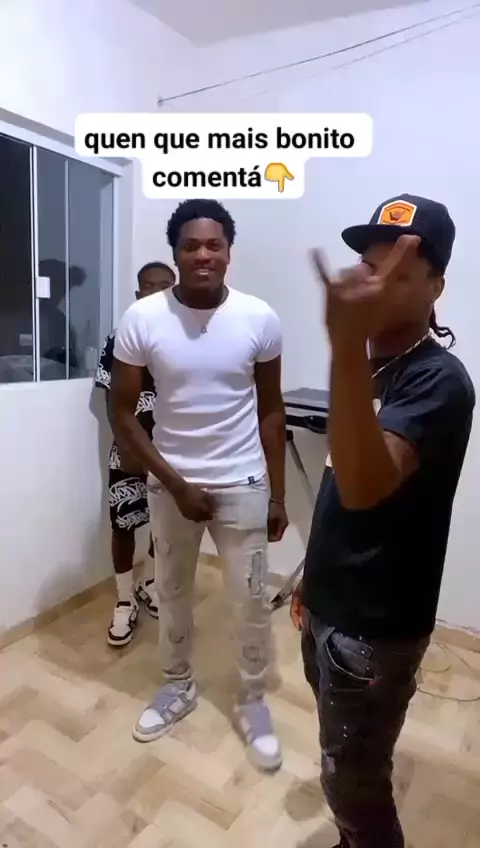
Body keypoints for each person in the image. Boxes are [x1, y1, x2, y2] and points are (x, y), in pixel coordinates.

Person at [290, 194, 475, 848]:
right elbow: (338, 486)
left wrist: (343, 346)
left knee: (355, 787)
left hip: (374, 629)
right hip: (330, 604)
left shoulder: (439, 381)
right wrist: (311, 575)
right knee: (341, 756)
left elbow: (367, 487)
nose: (375, 284)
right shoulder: (370, 368)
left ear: (436, 287)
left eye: (398, 272)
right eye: (369, 268)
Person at [110, 198, 288, 771]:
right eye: (191, 245)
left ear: (229, 252)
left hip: (244, 483)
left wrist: (278, 494)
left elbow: (271, 410)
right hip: (171, 487)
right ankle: (176, 686)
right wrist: (175, 483)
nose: (203, 255)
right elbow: (121, 412)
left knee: (250, 602)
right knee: (172, 594)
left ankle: (253, 703)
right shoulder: (143, 318)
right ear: (176, 254)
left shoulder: (259, 317)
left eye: (214, 244)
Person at [96, 261, 175, 646]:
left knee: (167, 526)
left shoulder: (186, 337)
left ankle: (151, 583)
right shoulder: (120, 337)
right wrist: (128, 446)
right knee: (123, 525)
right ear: (137, 293)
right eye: (149, 286)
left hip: (174, 451)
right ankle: (125, 599)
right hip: (129, 449)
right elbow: (112, 402)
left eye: (165, 286)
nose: (157, 293)